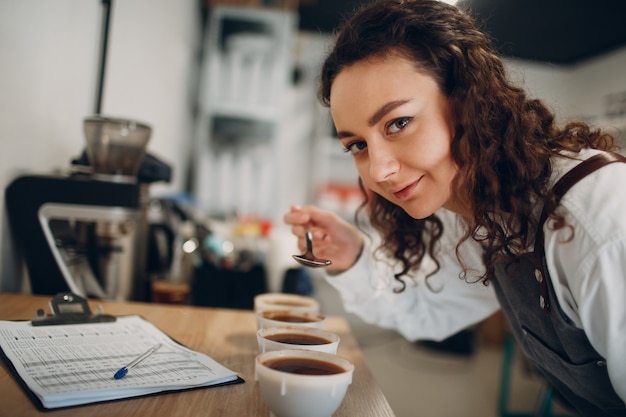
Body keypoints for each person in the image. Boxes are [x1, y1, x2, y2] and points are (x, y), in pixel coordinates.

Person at [283, 1, 626, 415]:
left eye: (398, 123)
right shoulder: (480, 208)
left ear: (468, 101)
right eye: (357, 144)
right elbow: (430, 311)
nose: (378, 170)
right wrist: (351, 255)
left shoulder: (599, 221)